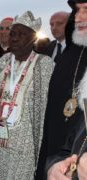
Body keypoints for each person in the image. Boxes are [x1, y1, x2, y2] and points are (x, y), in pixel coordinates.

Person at [0, 11, 54, 180]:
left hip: (23, 145)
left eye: (21, 34)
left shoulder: (44, 64)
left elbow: (46, 108)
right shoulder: (2, 61)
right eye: (12, 33)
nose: (13, 38)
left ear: (33, 38)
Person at [36, 0, 87, 179]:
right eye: (77, 10)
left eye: (86, 9)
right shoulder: (70, 56)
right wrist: (52, 166)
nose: (79, 17)